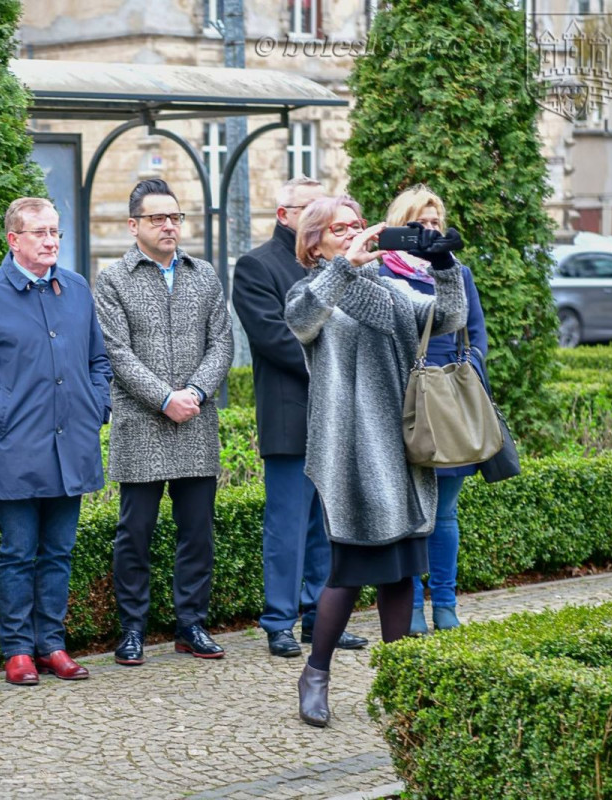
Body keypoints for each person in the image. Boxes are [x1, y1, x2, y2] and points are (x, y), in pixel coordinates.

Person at [283, 195, 466, 727]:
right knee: (350, 569)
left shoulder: (390, 289)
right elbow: (300, 322)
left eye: (358, 226)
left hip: (402, 444)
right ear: (313, 241)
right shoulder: (311, 288)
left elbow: (448, 319)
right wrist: (347, 263)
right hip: (348, 449)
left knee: (400, 572)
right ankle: (315, 673)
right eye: (339, 229)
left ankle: (400, 683)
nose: (352, 233)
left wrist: (445, 266)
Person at [0, 197, 112, 687]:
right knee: (19, 552)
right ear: (13, 240)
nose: (51, 241)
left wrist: (95, 406)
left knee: (60, 552)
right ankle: (18, 649)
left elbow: (98, 361)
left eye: (55, 232)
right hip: (15, 445)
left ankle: (53, 645)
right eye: (40, 232)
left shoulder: (78, 288)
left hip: (72, 445)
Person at [94, 179, 234, 666]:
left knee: (197, 532)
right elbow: (116, 352)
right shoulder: (112, 280)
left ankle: (191, 624)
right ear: (134, 226)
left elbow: (222, 342)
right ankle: (132, 628)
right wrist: (164, 398)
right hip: (141, 424)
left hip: (196, 421)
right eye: (158, 218)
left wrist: (193, 393)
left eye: (174, 217)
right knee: (135, 533)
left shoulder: (205, 275)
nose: (169, 226)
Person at [233, 176, 368, 659]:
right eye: (308, 208)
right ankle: (278, 621)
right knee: (287, 525)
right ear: (283, 215)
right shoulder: (256, 266)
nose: (319, 216)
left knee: (329, 527)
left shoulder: (339, 265)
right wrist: (338, 366)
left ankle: (320, 618)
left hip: (339, 416)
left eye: (324, 208)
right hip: (292, 415)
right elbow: (273, 337)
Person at [379, 185, 488, 635]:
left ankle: (444, 602)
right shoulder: (384, 273)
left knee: (443, 515)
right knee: (408, 518)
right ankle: (412, 610)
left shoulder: (455, 271)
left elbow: (476, 332)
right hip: (402, 405)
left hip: (448, 406)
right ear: (400, 226)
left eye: (434, 223)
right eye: (418, 223)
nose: (428, 231)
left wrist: (467, 374)